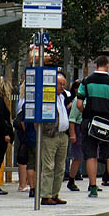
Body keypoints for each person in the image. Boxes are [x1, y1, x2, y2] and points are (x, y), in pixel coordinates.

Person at [76, 55, 109, 198]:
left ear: (96, 65)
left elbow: (79, 104)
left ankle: (92, 188)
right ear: (107, 65)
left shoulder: (86, 81)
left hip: (89, 123)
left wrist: (87, 113)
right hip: (105, 124)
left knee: (91, 156)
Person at [39, 73, 70, 205]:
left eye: (63, 84)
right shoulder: (48, 97)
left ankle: (54, 193)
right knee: (49, 166)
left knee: (60, 167)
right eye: (59, 84)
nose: (62, 87)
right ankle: (46, 195)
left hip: (63, 135)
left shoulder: (63, 97)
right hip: (50, 135)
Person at [65, 87, 84, 192]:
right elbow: (72, 118)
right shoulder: (78, 100)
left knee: (90, 156)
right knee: (77, 156)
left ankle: (92, 183)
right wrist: (72, 133)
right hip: (78, 128)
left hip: (86, 128)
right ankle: (71, 179)